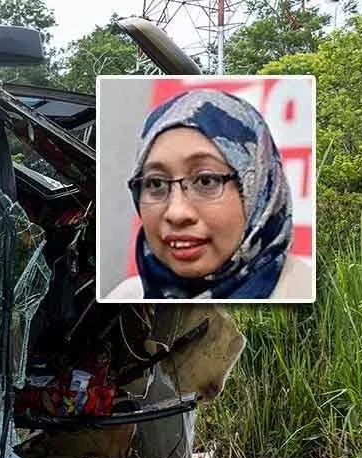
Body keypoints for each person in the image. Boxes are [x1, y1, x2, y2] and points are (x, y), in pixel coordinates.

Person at [107, 89, 313, 300]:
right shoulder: (125, 299)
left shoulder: (307, 295)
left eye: (206, 180)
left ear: (258, 190)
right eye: (155, 183)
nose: (176, 213)